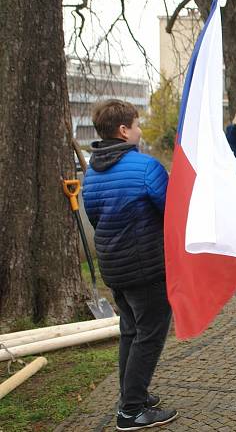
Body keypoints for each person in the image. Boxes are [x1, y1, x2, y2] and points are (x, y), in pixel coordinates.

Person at [82, 99, 178, 430]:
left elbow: (95, 217)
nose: (139, 130)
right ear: (123, 131)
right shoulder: (145, 167)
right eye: (137, 125)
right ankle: (131, 411)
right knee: (149, 334)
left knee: (130, 331)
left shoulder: (92, 171)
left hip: (115, 268)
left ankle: (131, 395)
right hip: (147, 268)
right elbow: (171, 212)